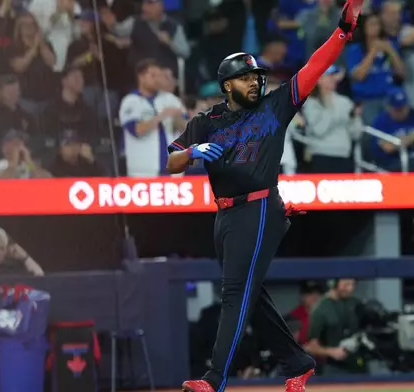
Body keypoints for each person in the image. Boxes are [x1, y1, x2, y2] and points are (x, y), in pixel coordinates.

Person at [166, 1, 363, 391]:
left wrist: (343, 30)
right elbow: (171, 161)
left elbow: (314, 68)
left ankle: (214, 380)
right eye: (247, 78)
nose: (256, 82)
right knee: (250, 296)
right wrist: (191, 154)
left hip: (258, 206)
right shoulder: (206, 122)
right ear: (227, 86)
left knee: (235, 293)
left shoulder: (275, 106)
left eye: (258, 76)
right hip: (225, 215)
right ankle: (298, 362)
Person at [119, 60, 187, 177]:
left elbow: (187, 129)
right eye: (152, 75)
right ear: (141, 77)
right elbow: (136, 130)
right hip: (143, 173)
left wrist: (178, 118)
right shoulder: (130, 101)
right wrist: (161, 116)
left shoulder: (170, 99)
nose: (156, 80)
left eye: (158, 76)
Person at [305, 279, 366, 375]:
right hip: (335, 368)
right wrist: (331, 352)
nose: (350, 288)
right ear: (334, 284)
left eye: (353, 285)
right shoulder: (321, 309)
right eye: (346, 285)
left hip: (359, 364)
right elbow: (310, 346)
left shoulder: (356, 304)